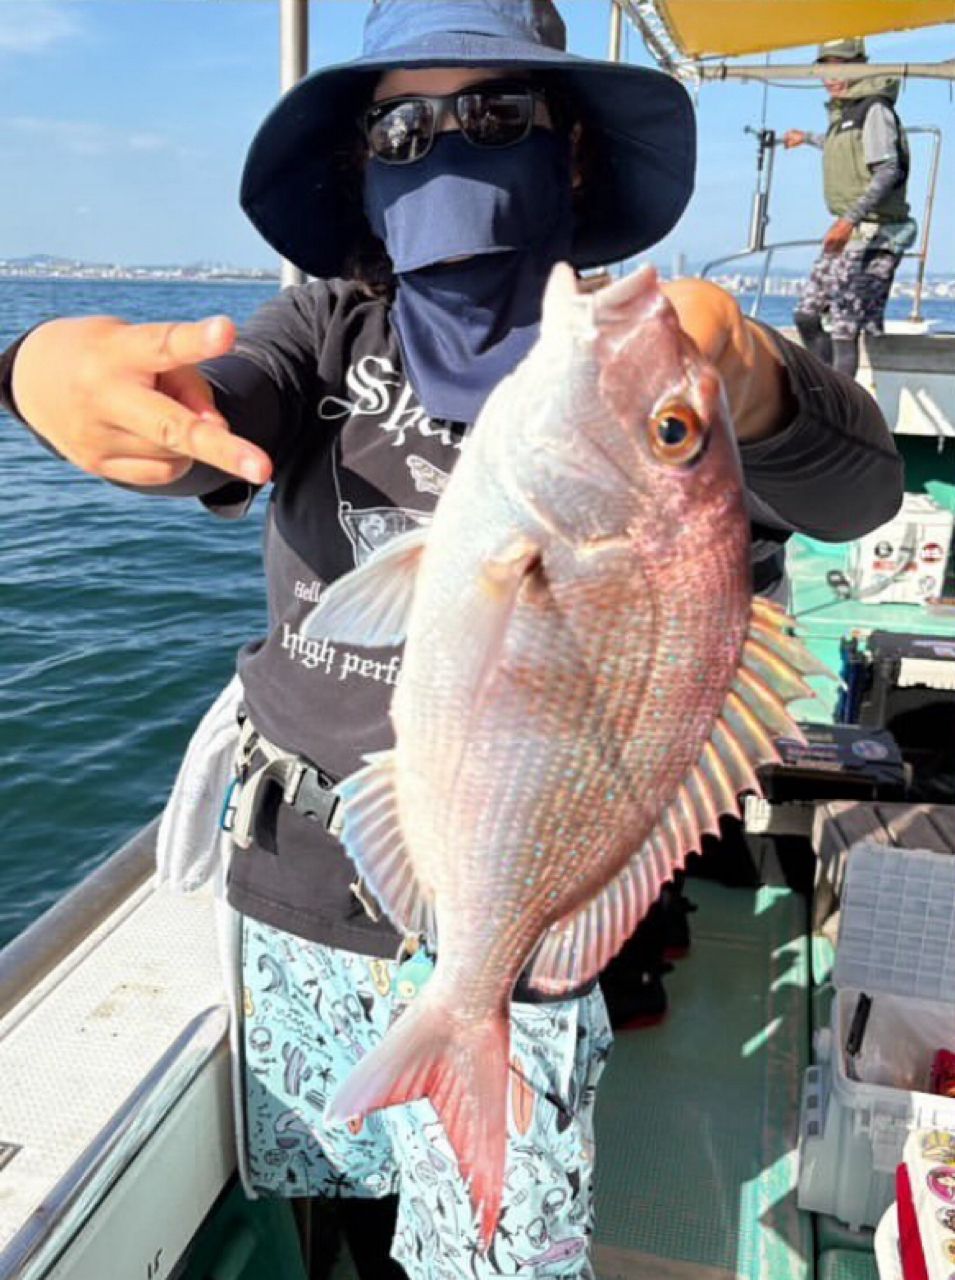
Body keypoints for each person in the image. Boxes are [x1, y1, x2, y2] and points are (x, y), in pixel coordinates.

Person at [0, 2, 904, 1276]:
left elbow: (860, 491)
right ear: (361, 170)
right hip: (302, 884)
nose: (451, 154)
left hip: (520, 934)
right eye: (405, 126)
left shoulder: (653, 385)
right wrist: (41, 368)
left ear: (574, 155)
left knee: (486, 1247)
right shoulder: (326, 331)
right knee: (337, 1227)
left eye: (495, 116)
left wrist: (744, 384)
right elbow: (199, 420)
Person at [785, 36, 918, 379]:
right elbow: (841, 144)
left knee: (845, 328)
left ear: (859, 66)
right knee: (806, 315)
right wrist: (807, 138)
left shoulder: (874, 109)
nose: (830, 77)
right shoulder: (844, 113)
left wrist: (847, 221)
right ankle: (824, 393)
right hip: (849, 232)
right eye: (824, 69)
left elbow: (888, 170)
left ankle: (841, 412)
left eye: (840, 68)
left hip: (878, 234)